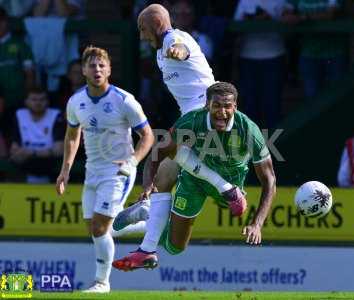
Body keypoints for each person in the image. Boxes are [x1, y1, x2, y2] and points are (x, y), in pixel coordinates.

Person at [113, 82, 277, 270]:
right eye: (216, 105)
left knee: (239, 209)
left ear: (235, 107)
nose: (222, 112)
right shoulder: (192, 121)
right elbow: (158, 153)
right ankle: (148, 211)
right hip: (195, 181)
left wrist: (257, 224)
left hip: (230, 185)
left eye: (227, 106)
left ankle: (146, 215)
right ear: (207, 105)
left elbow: (269, 180)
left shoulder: (248, 130)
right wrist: (148, 184)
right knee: (175, 247)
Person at [113, 4, 247, 232]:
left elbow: (181, 48)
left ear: (155, 26)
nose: (142, 36)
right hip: (192, 115)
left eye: (142, 29)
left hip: (206, 110)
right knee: (164, 176)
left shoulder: (173, 38)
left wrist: (178, 51)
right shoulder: (158, 52)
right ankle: (147, 224)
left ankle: (225, 187)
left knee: (159, 153)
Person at [55, 46, 154, 293]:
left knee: (100, 228)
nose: (97, 69)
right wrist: (65, 170)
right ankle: (149, 222)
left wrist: (132, 161)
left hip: (118, 171)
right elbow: (71, 135)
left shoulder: (124, 100)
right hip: (92, 171)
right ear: (83, 70)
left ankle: (102, 282)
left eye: (101, 65)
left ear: (109, 69)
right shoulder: (76, 101)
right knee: (95, 229)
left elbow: (148, 136)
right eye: (92, 65)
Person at [234, 0, 286, 129]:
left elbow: (288, 27)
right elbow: (235, 26)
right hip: (248, 56)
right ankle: (251, 143)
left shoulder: (280, 2)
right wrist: (250, 19)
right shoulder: (244, 2)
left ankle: (274, 143)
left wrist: (269, 19)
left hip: (274, 55)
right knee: (250, 102)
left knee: (272, 102)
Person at [10, 86, 64, 183]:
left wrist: (32, 152)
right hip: (26, 163)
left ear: (47, 101)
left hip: (49, 163)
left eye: (42, 99)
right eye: (34, 99)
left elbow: (59, 150)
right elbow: (14, 148)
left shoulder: (56, 115)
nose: (38, 103)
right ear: (26, 101)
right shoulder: (19, 115)